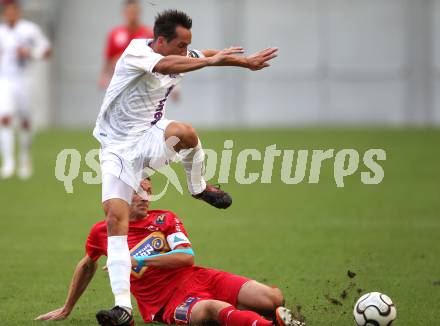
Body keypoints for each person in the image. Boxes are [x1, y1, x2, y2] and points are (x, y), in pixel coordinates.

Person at [92, 9, 278, 325]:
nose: (185, 51)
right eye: (181, 45)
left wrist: (244, 63)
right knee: (115, 219)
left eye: (186, 45)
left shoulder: (177, 53)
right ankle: (123, 307)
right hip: (117, 146)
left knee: (186, 134)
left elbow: (202, 55)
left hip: (148, 135)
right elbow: (171, 64)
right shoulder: (139, 51)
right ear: (161, 40)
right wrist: (209, 61)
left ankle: (198, 187)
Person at [36, 178, 305, 326]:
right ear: (121, 197)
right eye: (138, 193)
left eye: (148, 192)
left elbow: (186, 257)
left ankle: (249, 315)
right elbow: (87, 264)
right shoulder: (103, 231)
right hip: (164, 303)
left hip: (200, 278)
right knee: (213, 308)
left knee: (272, 298)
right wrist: (67, 307)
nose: (145, 198)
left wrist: (137, 260)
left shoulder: (165, 219)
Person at [0, 1, 52, 179]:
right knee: (5, 118)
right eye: (7, 12)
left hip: (26, 80)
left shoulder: (30, 30)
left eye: (13, 11)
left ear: (18, 12)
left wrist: (31, 53)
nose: (10, 15)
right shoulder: (1, 32)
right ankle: (8, 162)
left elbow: (47, 50)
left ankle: (24, 158)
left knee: (25, 121)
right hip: (6, 80)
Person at [98, 0, 154, 89]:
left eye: (135, 12)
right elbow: (109, 59)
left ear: (139, 12)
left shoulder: (148, 34)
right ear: (124, 12)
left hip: (142, 83)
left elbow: (157, 58)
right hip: (120, 83)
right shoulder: (115, 34)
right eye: (130, 12)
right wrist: (104, 76)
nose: (132, 15)